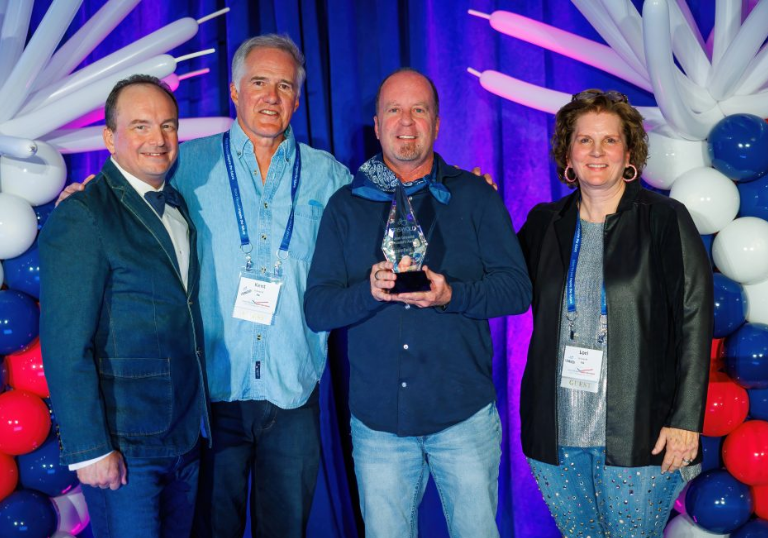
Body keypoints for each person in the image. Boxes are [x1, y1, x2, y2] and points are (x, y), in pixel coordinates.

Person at [303, 68, 532, 538]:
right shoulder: (345, 206)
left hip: (463, 419)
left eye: (419, 110)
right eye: (394, 110)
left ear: (437, 122)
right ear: (376, 122)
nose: (406, 122)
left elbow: (517, 290)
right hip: (378, 426)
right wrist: (367, 293)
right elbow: (318, 309)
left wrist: (452, 295)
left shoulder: (474, 197)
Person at [169, 35, 351, 538]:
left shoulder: (329, 175)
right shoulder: (187, 166)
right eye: (259, 82)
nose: (272, 96)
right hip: (215, 391)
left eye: (285, 86)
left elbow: (385, 223)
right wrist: (87, 194)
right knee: (211, 529)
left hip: (292, 386)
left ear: (296, 98)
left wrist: (454, 192)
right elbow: (130, 202)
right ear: (234, 90)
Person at [517, 89, 712, 535]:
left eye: (609, 140)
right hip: (556, 430)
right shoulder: (544, 222)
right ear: (568, 152)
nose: (597, 151)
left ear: (629, 151)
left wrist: (686, 419)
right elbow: (502, 284)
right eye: (584, 140)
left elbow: (695, 317)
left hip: (640, 430)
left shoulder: (664, 218)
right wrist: (479, 213)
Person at [39, 75, 210, 537]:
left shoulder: (178, 208)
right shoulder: (84, 214)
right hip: (124, 447)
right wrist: (91, 449)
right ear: (109, 138)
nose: (157, 139)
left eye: (168, 126)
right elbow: (64, 343)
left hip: (186, 438)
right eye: (140, 126)